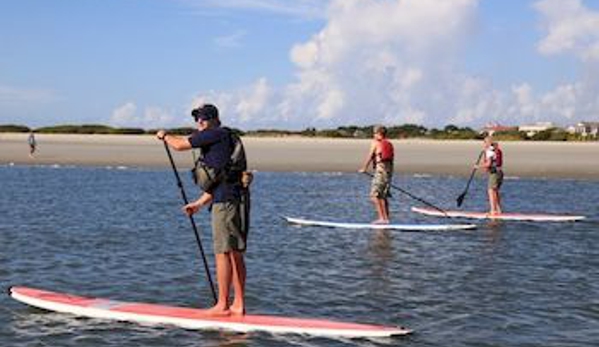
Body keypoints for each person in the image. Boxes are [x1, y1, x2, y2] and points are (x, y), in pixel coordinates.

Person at [156, 104, 247, 316]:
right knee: (234, 253)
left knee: (223, 253)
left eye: (204, 118)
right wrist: (199, 204)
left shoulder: (214, 134)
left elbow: (179, 146)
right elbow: (223, 179)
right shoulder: (226, 137)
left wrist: (164, 136)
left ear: (215, 118)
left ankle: (223, 305)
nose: (200, 122)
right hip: (229, 199)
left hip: (226, 203)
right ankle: (238, 305)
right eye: (197, 119)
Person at [359, 125, 394, 224]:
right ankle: (386, 218)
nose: (373, 135)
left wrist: (364, 168)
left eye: (374, 133)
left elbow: (370, 156)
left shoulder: (375, 143)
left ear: (378, 134)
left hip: (380, 172)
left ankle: (382, 219)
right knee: (383, 196)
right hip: (388, 172)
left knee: (374, 196)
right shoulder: (389, 144)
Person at [479, 136, 503, 215]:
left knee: (491, 191)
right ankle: (499, 210)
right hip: (500, 173)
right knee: (495, 191)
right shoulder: (497, 150)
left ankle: (493, 210)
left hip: (494, 173)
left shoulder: (489, 151)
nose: (484, 144)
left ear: (489, 143)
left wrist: (478, 166)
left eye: (485, 142)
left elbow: (488, 164)